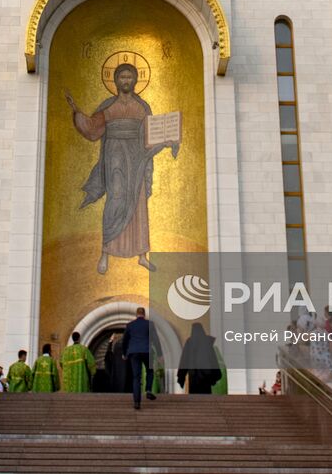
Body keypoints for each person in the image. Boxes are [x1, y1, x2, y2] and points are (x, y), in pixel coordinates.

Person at [64, 63, 180, 276]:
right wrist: (77, 112)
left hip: (136, 158)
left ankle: (142, 255)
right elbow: (92, 128)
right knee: (116, 198)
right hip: (115, 155)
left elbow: (149, 137)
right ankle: (105, 252)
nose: (125, 81)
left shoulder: (143, 107)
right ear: (116, 82)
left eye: (129, 77)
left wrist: (166, 139)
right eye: (122, 77)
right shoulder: (109, 105)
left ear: (135, 81)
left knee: (138, 203)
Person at [123, 307, 158, 409]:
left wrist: (124, 353)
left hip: (134, 353)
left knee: (136, 377)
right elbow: (155, 339)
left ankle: (137, 402)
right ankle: (148, 390)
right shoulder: (149, 324)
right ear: (144, 314)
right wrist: (160, 354)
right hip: (147, 351)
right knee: (150, 370)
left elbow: (125, 340)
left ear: (136, 314)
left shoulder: (130, 325)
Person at [176, 323, 222, 394]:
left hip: (193, 376)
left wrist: (181, 376)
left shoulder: (190, 342)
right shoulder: (207, 342)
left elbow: (184, 360)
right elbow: (212, 359)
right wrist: (216, 374)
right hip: (206, 375)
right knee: (206, 396)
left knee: (194, 397)